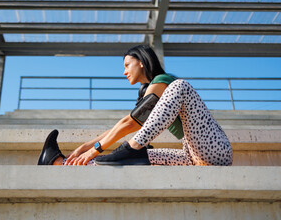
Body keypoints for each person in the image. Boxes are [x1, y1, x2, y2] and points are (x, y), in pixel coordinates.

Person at [38, 45, 233, 166]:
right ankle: (58, 163)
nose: (124, 72)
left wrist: (94, 148)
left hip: (215, 148)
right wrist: (86, 147)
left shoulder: (163, 80)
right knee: (123, 160)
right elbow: (126, 123)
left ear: (141, 62)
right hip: (193, 155)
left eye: (126, 65)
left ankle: (133, 147)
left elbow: (131, 124)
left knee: (180, 85)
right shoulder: (148, 93)